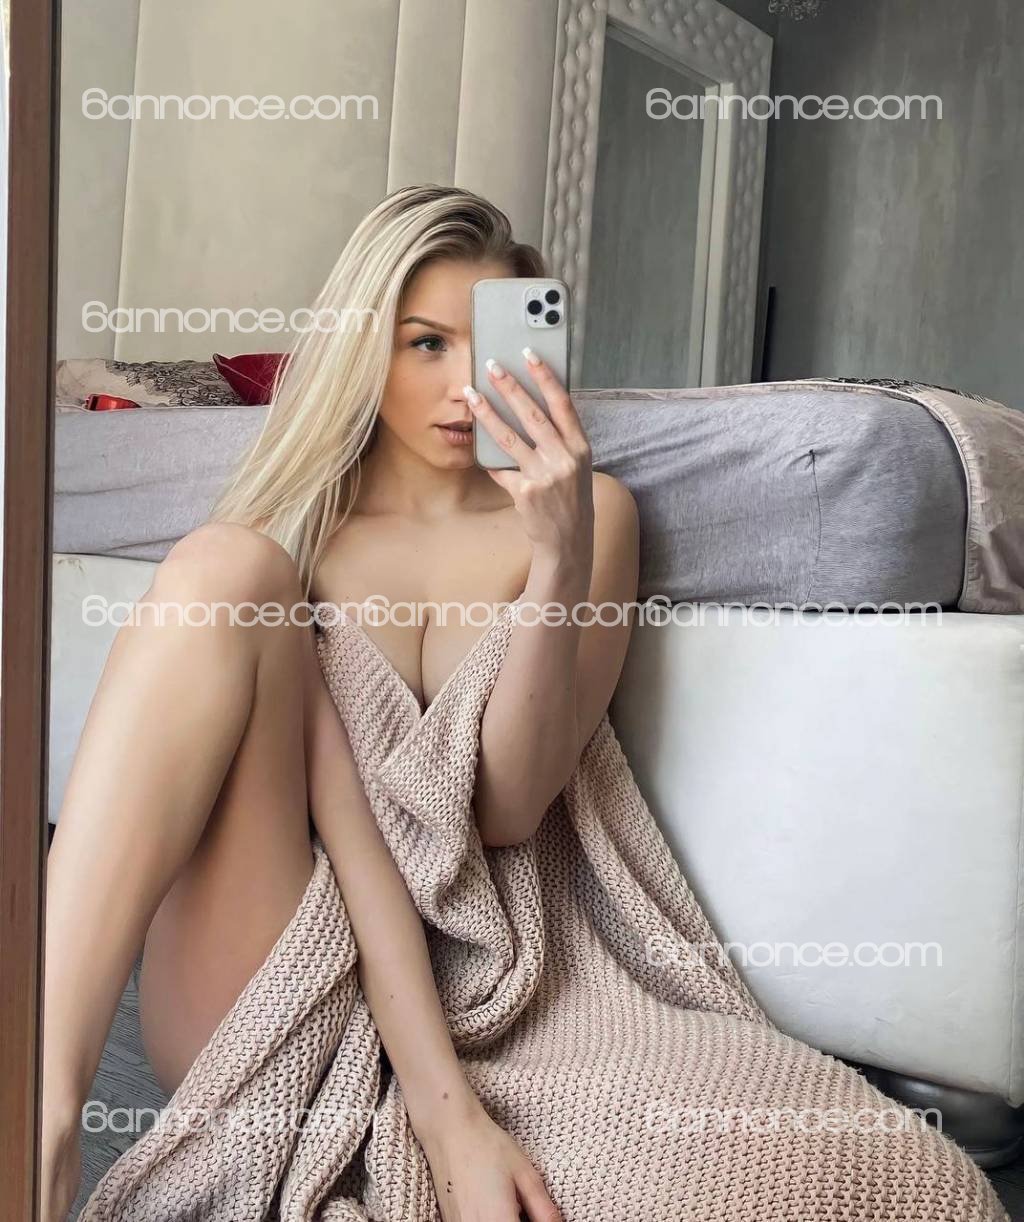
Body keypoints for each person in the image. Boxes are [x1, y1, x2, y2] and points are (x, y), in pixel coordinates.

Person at [40, 184, 638, 1222]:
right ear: (365, 347)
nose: (466, 387)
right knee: (225, 563)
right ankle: (40, 1114)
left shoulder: (595, 517)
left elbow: (507, 808)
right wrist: (445, 1113)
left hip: (478, 967)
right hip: (280, 949)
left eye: (489, 345)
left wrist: (558, 557)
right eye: (425, 344)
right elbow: (351, 831)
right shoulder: (301, 530)